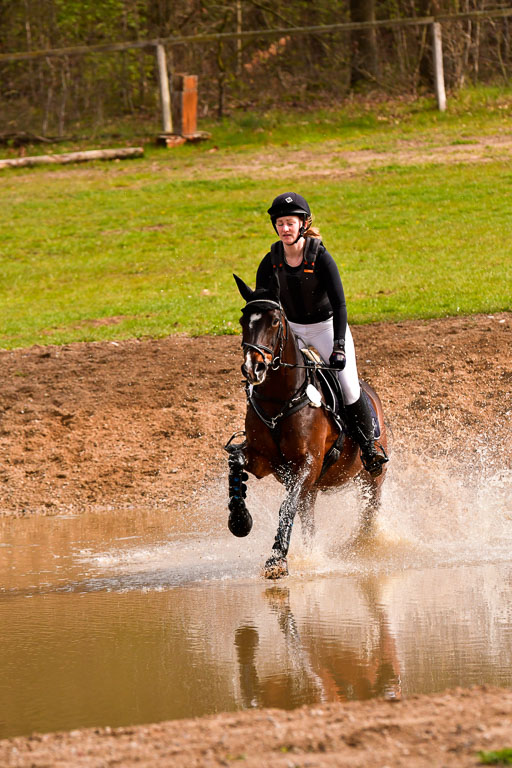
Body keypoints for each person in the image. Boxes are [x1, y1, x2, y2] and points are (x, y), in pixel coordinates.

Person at [255, 191, 388, 477]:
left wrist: (339, 345)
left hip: (326, 329)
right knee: (269, 380)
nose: (285, 229)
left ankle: (369, 447)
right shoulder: (270, 262)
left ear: (303, 224)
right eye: (280, 224)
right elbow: (264, 307)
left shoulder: (321, 256)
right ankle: (260, 439)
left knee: (349, 386)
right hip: (291, 331)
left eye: (290, 223)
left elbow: (340, 304)